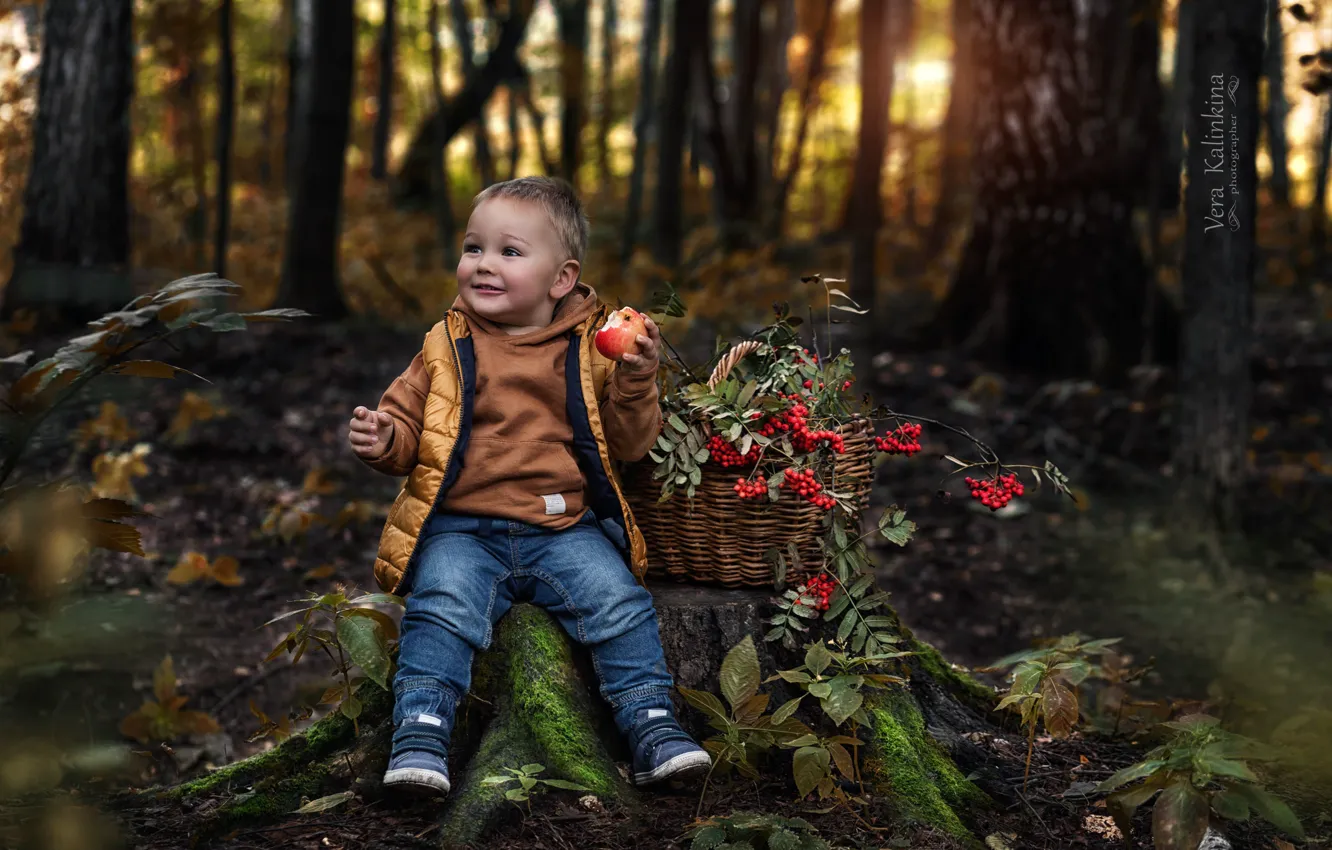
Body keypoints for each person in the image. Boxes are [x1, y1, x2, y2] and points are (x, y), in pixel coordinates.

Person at [346, 176, 710, 797]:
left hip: (563, 527)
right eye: (474, 247)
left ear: (561, 278)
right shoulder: (445, 344)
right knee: (441, 606)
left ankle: (652, 723)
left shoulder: (592, 349)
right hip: (462, 529)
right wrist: (386, 439)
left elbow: (630, 444)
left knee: (619, 602)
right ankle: (420, 734)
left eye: (509, 252)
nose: (484, 264)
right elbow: (410, 426)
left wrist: (636, 381)